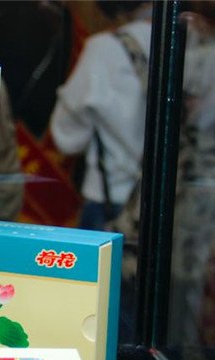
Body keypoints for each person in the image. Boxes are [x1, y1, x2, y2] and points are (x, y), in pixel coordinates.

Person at [50, 1, 152, 231]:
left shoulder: (105, 49)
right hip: (176, 201)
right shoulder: (196, 44)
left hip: (112, 197)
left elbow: (67, 139)